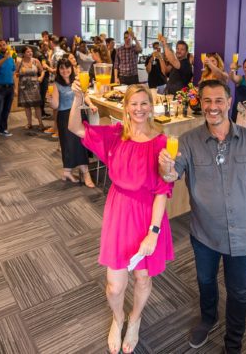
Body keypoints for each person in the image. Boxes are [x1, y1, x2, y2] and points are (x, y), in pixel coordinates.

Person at [157, 80, 246, 353]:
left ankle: (233, 343)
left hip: (243, 233)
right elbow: (173, 175)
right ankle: (208, 317)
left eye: (218, 100)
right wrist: (166, 169)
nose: (213, 107)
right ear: (201, 103)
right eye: (207, 101)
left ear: (229, 102)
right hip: (205, 233)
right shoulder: (188, 140)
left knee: (238, 292)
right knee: (206, 281)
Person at [68, 82, 173, 354]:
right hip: (118, 212)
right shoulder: (116, 136)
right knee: (115, 287)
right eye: (133, 104)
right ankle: (118, 319)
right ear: (126, 108)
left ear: (151, 107)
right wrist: (77, 100)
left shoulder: (161, 142)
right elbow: (75, 128)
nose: (139, 109)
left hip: (147, 215)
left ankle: (135, 319)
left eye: (143, 103)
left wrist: (154, 231)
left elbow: (163, 189)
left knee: (143, 278)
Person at [50, 58, 95, 186]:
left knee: (82, 143)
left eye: (67, 67)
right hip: (65, 117)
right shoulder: (56, 84)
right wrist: (50, 101)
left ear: (72, 68)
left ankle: (67, 171)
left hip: (80, 114)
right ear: (58, 70)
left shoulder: (77, 80)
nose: (65, 70)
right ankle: (85, 173)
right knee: (68, 145)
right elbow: (56, 105)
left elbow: (85, 94)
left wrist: (91, 104)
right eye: (62, 68)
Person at [16, 45, 45, 130]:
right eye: (28, 52)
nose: (30, 53)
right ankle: (29, 123)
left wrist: (41, 77)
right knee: (27, 106)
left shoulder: (36, 61)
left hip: (34, 86)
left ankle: (40, 123)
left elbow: (42, 71)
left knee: (37, 105)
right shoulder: (19, 62)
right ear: (23, 54)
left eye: (31, 51)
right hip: (24, 87)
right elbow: (15, 73)